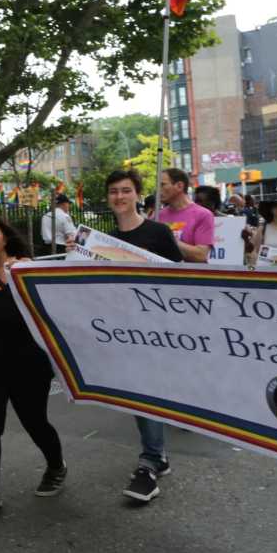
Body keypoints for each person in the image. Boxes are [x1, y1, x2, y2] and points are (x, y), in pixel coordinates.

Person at [0, 213, 64, 527]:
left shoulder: (24, 269)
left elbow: (48, 314)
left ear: (5, 237)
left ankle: (56, 466)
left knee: (35, 422)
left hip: (27, 364)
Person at [103, 170, 182, 503]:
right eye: (113, 192)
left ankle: (149, 461)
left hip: (154, 329)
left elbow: (179, 278)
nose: (119, 197)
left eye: (126, 191)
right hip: (121, 330)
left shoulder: (158, 232)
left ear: (138, 195)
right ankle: (157, 455)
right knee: (137, 394)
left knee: (145, 391)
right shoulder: (102, 241)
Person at [157, 168, 214, 263]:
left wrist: (169, 239)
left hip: (191, 276)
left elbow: (201, 255)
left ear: (179, 186)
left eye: (163, 185)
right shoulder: (157, 216)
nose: (158, 190)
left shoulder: (203, 215)